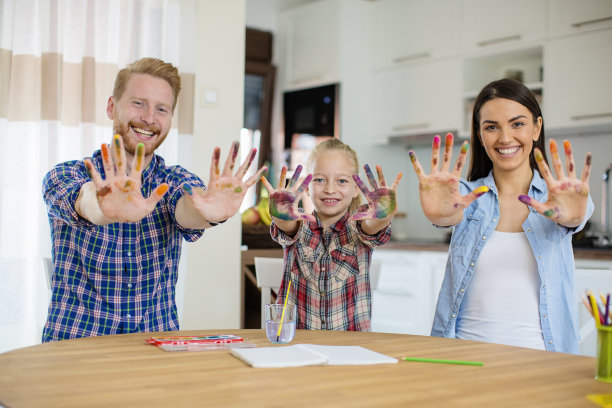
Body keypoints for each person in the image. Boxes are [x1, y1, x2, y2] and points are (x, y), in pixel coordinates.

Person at [42, 57, 265, 341]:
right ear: (112, 107)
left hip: (155, 345)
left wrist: (210, 212)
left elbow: (187, 208)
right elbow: (85, 201)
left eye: (161, 109)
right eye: (139, 103)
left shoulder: (173, 180)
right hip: (76, 345)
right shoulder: (65, 174)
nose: (149, 118)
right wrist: (103, 207)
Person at [408, 78, 593, 354]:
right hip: (464, 357)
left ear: (536, 128)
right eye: (492, 127)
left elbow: (575, 215)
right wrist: (441, 214)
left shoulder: (558, 199)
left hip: (543, 361)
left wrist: (574, 216)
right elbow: (447, 215)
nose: (505, 138)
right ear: (481, 136)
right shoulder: (466, 196)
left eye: (517, 123)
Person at [260, 139, 402, 330]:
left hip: (351, 348)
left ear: (355, 189)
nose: (330, 189)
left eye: (342, 181)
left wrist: (383, 217)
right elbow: (287, 227)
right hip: (296, 346)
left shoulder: (360, 226)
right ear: (307, 187)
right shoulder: (299, 225)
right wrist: (280, 216)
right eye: (319, 180)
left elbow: (372, 227)